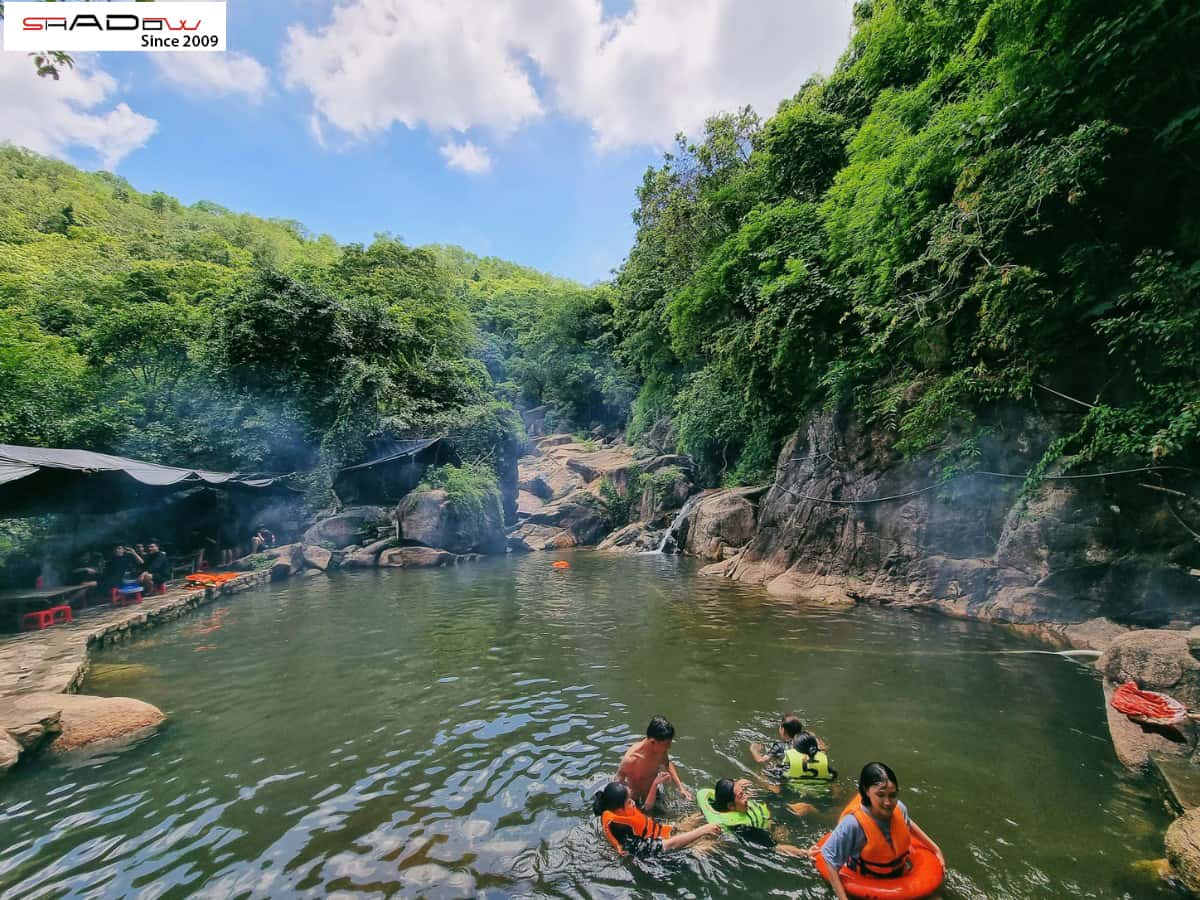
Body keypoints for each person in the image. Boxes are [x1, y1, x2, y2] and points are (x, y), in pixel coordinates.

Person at [815, 762, 944, 900]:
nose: (888, 802)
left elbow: (909, 824)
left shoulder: (899, 808)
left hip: (900, 878)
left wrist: (935, 849)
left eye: (892, 795)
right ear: (866, 791)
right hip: (867, 887)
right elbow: (829, 859)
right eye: (880, 795)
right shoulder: (853, 824)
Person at [592, 781, 719, 857]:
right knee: (714, 843)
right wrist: (704, 830)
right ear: (619, 811)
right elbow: (671, 844)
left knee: (694, 819)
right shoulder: (631, 843)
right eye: (629, 801)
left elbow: (646, 810)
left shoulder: (618, 812)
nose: (633, 803)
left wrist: (654, 784)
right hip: (663, 857)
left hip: (658, 834)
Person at [697, 778, 807, 857]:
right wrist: (805, 853)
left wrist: (739, 785)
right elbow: (775, 847)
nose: (747, 796)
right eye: (741, 795)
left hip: (767, 807)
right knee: (805, 808)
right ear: (731, 806)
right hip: (772, 822)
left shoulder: (712, 801)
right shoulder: (741, 828)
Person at [616, 715, 693, 806]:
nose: (669, 746)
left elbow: (667, 763)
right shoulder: (631, 759)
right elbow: (618, 781)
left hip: (653, 794)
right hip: (635, 801)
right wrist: (625, 801)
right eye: (666, 744)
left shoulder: (660, 750)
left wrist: (681, 788)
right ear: (653, 741)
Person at [750, 713, 827, 767]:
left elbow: (761, 760)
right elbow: (823, 749)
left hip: (786, 772)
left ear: (782, 730)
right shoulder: (808, 741)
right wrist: (815, 738)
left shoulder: (779, 746)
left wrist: (754, 750)